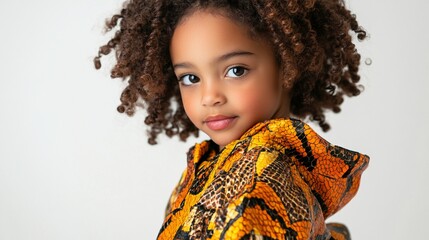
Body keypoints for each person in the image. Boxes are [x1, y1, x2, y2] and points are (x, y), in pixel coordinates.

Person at [94, 0, 370, 239]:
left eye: (236, 70)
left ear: (288, 66)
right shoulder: (211, 166)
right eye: (191, 78)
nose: (209, 96)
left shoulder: (257, 182)